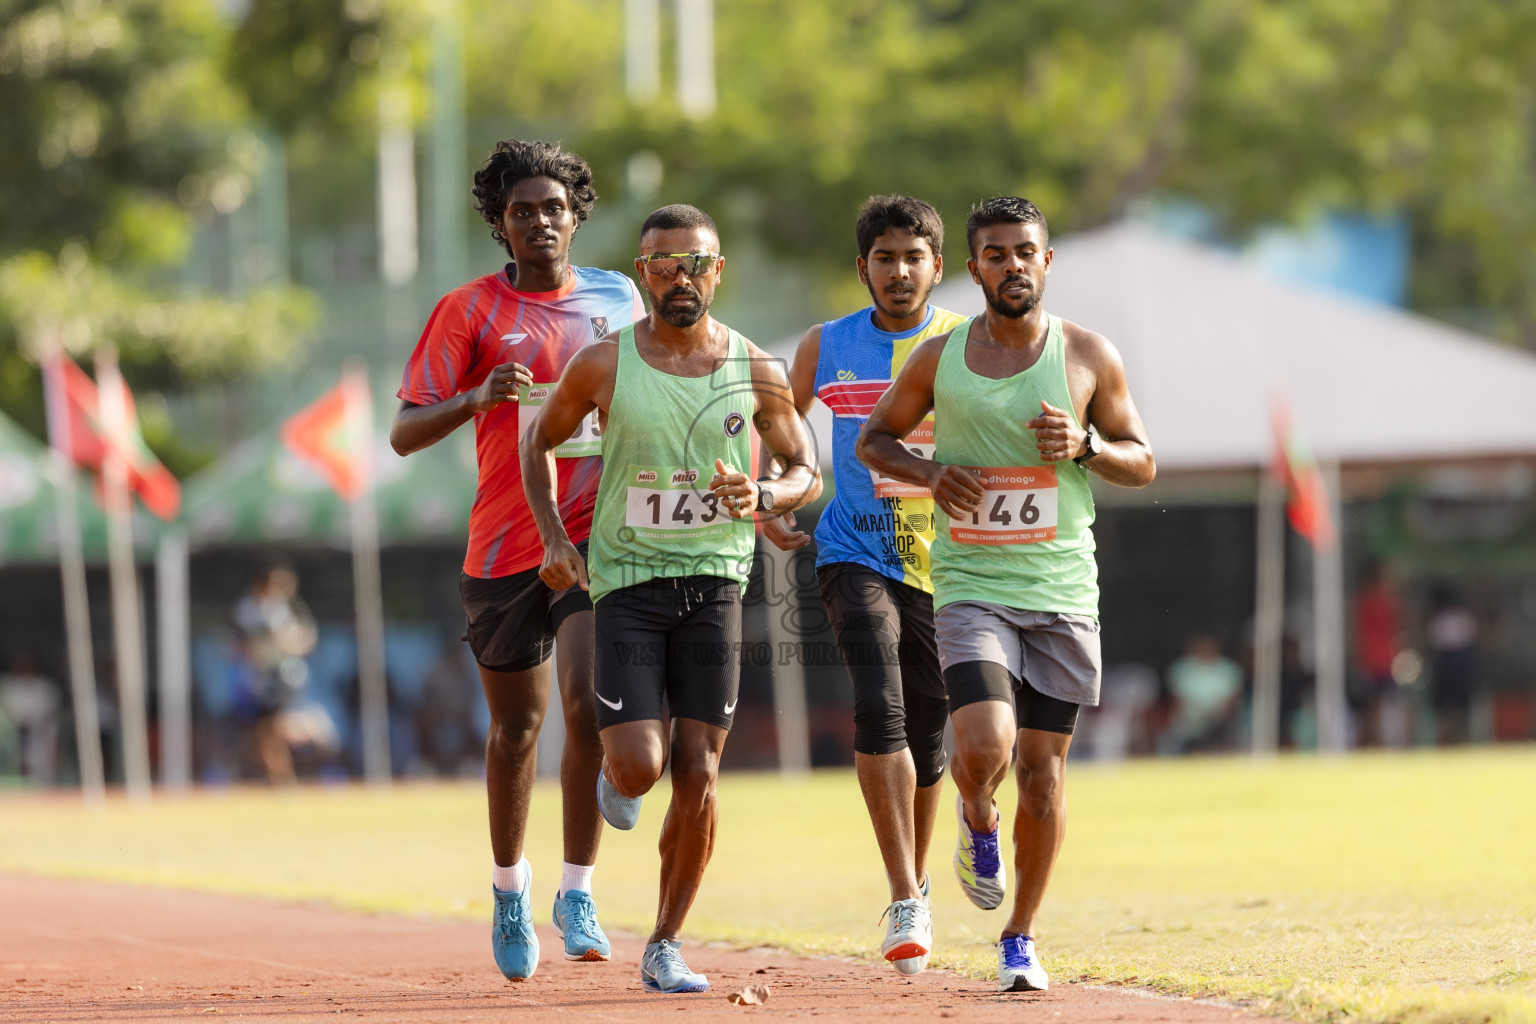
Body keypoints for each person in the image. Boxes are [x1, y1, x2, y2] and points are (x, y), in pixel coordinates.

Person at [521, 203, 821, 994]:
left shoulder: (756, 368)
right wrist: (555, 536)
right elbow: (538, 440)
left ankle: (664, 943)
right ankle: (616, 782)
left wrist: (761, 494)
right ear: (643, 272)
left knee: (701, 773)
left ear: (718, 271)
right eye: (663, 265)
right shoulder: (604, 363)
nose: (680, 279)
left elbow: (804, 467)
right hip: (627, 584)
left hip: (716, 586)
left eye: (696, 264)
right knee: (641, 763)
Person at [858, 196, 1155, 992]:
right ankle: (977, 816)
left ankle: (1020, 938)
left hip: (1059, 587)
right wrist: (929, 474)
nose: (1013, 266)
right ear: (974, 268)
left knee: (1045, 777)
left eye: (1026, 252)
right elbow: (873, 438)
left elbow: (1143, 460)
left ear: (1046, 262)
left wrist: (1087, 446)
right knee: (985, 747)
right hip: (972, 586)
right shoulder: (939, 358)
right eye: (996, 254)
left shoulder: (1089, 355)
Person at [390, 139, 645, 980]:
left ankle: (578, 890)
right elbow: (404, 432)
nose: (541, 220)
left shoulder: (618, 297)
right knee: (517, 728)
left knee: (586, 707)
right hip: (504, 545)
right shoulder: (467, 311)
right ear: (500, 224)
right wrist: (477, 396)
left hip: (596, 539)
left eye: (554, 207)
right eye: (522, 210)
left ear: (577, 214)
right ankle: (509, 888)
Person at [762, 195, 966, 975]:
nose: (900, 271)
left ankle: (917, 880)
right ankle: (902, 896)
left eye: (915, 257)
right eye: (886, 258)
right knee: (877, 706)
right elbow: (786, 435)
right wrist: (774, 499)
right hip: (854, 552)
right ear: (863, 268)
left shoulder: (963, 344)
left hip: (950, 565)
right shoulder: (826, 344)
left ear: (937, 268)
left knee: (930, 736)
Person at [231, 564, 327, 785]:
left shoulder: (285, 609)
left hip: (282, 676)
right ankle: (280, 775)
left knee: (270, 727)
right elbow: (234, 643)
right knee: (262, 731)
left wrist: (286, 642)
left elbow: (307, 639)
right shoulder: (248, 610)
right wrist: (256, 647)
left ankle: (310, 736)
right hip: (258, 679)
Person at [1161, 634, 1243, 754]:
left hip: (1219, 719)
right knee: (1171, 741)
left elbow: (1232, 698)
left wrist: (1214, 715)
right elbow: (1177, 698)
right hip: (1188, 719)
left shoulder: (1229, 668)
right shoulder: (1181, 668)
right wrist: (1195, 715)